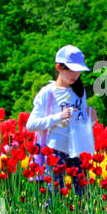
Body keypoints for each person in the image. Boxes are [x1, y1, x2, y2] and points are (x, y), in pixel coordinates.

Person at [25, 45, 94, 196]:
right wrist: (59, 117)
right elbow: (31, 125)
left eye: (78, 70)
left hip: (77, 149)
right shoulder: (47, 93)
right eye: (70, 69)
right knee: (55, 196)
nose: (75, 74)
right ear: (58, 67)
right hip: (55, 150)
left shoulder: (80, 92)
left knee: (82, 196)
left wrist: (91, 120)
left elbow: (81, 123)